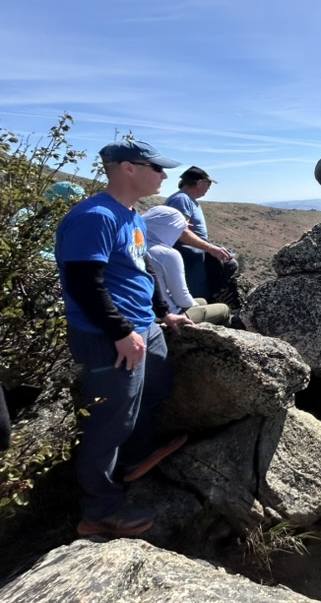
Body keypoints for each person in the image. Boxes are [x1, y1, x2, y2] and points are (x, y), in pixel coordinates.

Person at [55, 139, 191, 539]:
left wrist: (162, 313)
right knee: (110, 421)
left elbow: (137, 272)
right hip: (108, 336)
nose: (164, 175)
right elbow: (84, 284)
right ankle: (99, 510)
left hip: (144, 325)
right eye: (156, 167)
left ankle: (133, 459)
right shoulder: (95, 217)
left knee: (156, 389)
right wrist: (120, 333)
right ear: (127, 168)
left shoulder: (131, 214)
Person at [163, 166, 241, 307]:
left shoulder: (187, 199)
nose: (209, 188)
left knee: (229, 264)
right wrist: (210, 248)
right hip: (188, 256)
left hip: (196, 254)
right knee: (197, 292)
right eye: (208, 184)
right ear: (199, 183)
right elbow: (181, 231)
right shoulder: (181, 199)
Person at [142, 205, 231, 326]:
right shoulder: (167, 254)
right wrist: (194, 308)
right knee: (224, 309)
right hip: (165, 317)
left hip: (143, 312)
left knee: (202, 301)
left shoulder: (135, 248)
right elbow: (182, 300)